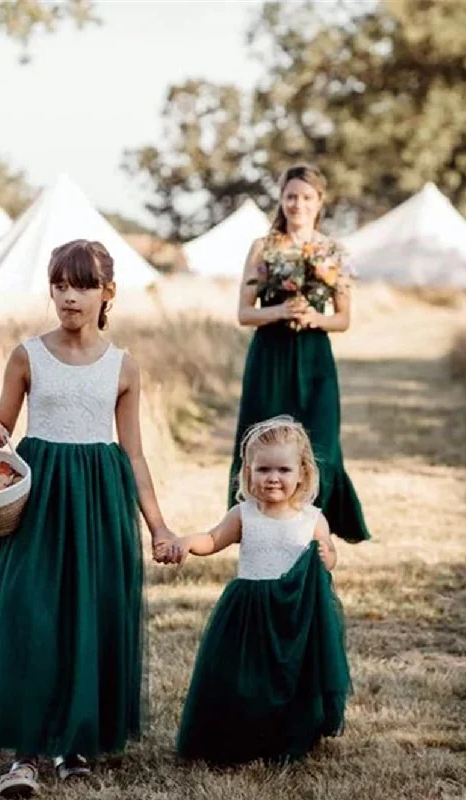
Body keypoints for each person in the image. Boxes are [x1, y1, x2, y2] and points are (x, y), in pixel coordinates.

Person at [0, 239, 180, 798]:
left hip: (99, 502)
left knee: (89, 616)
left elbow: (134, 453)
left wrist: (158, 525)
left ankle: (75, 742)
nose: (69, 296)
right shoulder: (27, 356)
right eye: (60, 284)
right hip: (39, 501)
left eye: (83, 285)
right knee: (32, 614)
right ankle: (24, 755)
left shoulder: (123, 366)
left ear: (107, 293)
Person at [167, 416, 351, 765]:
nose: (273, 478)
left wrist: (328, 555)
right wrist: (189, 542)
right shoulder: (244, 514)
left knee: (291, 674)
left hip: (294, 612)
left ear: (302, 473)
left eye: (283, 469)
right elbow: (213, 539)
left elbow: (328, 555)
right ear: (248, 471)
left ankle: (287, 735)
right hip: (249, 610)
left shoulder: (312, 519)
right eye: (263, 469)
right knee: (244, 675)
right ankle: (243, 734)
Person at [228, 162, 370, 543]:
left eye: (306, 197)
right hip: (269, 357)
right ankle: (255, 530)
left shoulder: (332, 252)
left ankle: (313, 534)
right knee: (260, 438)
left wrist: (312, 318)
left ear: (320, 201)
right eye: (291, 196)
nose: (298, 204)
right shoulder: (263, 247)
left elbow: (342, 319)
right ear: (281, 199)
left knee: (321, 442)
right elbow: (244, 313)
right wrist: (278, 311)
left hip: (314, 357)